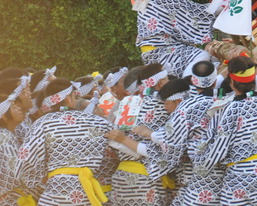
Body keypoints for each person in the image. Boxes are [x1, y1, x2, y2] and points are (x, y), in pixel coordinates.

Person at [15, 78, 117, 206]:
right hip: (92, 196)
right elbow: (120, 147)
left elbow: (25, 161)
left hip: (55, 196)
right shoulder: (98, 121)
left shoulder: (42, 123)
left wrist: (43, 181)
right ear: (68, 99)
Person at [192, 56, 257, 206]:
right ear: (253, 81)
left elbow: (219, 149)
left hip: (241, 175)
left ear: (231, 82)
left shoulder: (231, 109)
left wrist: (201, 164)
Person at [142, 61, 223, 206]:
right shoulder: (227, 101)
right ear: (215, 81)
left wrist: (149, 134)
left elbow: (171, 142)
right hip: (227, 178)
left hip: (201, 180)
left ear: (193, 81)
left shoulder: (187, 107)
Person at [135, 0, 215, 77]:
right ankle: (191, 90)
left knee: (211, 60)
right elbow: (195, 13)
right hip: (163, 52)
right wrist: (220, 6)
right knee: (202, 56)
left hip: (157, 50)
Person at [107, 63, 173, 206]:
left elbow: (113, 139)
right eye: (168, 79)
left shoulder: (127, 102)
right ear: (160, 83)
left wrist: (125, 142)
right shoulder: (164, 104)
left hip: (121, 178)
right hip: (146, 180)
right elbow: (164, 147)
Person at [0, 77, 36, 206]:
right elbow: (15, 175)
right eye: (14, 107)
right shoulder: (4, 138)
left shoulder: (8, 135)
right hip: (9, 200)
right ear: (4, 116)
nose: (19, 109)